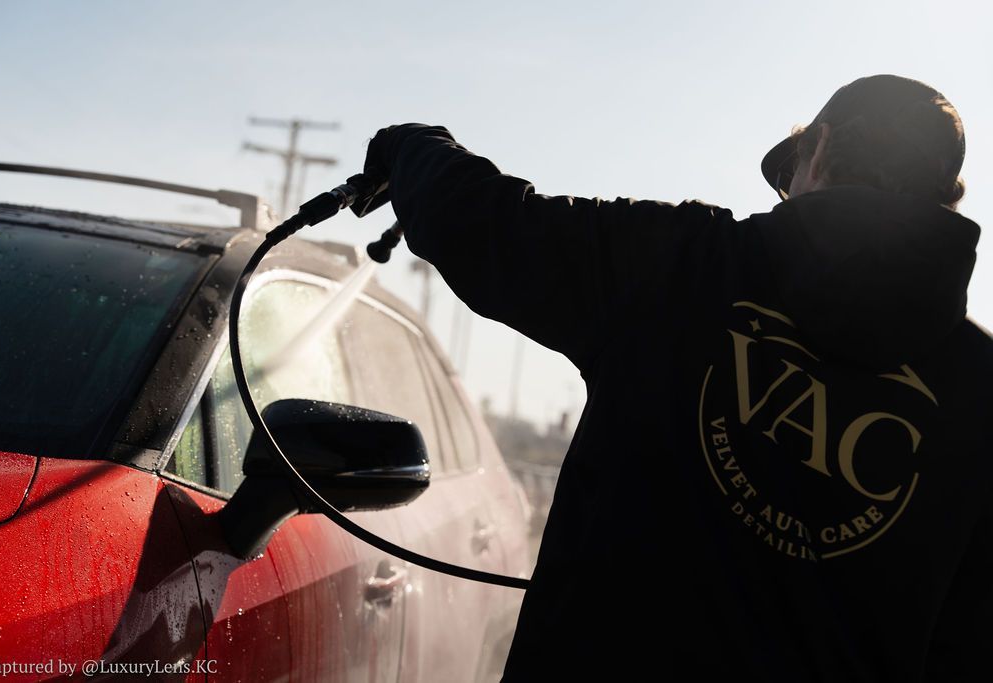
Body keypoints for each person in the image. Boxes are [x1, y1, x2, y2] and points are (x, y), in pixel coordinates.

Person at [361, 74, 991, 681]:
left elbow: (487, 222)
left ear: (820, 151)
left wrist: (407, 145)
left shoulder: (682, 264)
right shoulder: (980, 387)